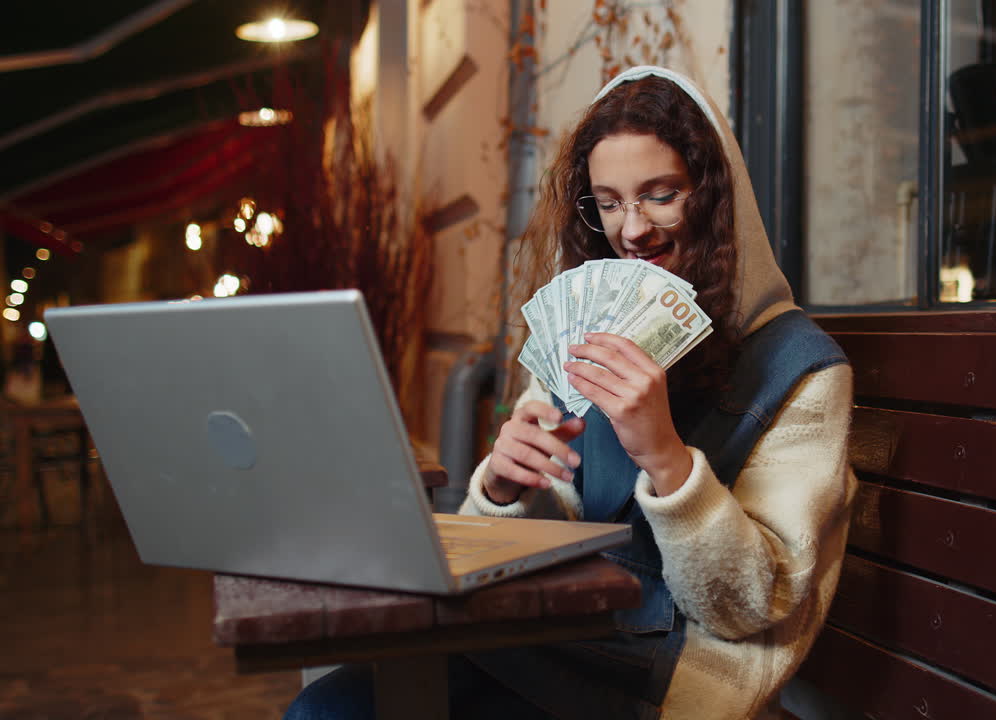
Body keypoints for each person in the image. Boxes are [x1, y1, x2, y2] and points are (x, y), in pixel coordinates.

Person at [285, 65, 855, 719]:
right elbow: (539, 526)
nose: (632, 229)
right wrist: (505, 489)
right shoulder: (589, 330)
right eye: (608, 203)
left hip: (659, 686)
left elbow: (748, 608)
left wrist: (665, 458)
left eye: (660, 194)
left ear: (716, 197)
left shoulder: (802, 370)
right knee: (323, 708)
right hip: (539, 638)